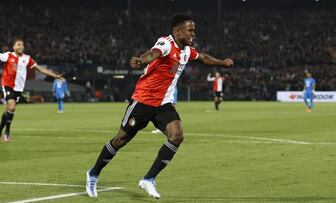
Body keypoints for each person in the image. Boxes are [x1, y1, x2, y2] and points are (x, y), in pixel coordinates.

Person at [85, 14, 233, 199]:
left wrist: (222, 62)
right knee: (121, 140)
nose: (193, 34)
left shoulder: (186, 50)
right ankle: (93, 173)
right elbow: (153, 53)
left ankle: (149, 179)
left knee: (177, 136)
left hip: (163, 103)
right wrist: (141, 59)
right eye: (190, 30)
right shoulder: (166, 43)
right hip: (143, 101)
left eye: (193, 30)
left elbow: (202, 57)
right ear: (178, 31)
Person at [0, 38, 63, 143]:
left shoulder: (27, 58)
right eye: (18, 45)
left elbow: (41, 69)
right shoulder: (8, 55)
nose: (21, 46)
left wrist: (54, 75)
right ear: (14, 47)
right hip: (7, 84)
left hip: (19, 88)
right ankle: (7, 132)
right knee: (12, 106)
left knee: (9, 110)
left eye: (22, 45)